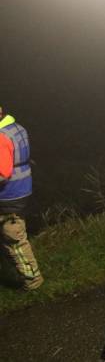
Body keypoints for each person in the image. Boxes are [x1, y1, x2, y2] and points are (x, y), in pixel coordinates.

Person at [0, 106, 43, 291]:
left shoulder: (1, 137)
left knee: (14, 239)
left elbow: (2, 173)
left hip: (9, 196)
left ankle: (32, 281)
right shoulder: (16, 127)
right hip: (22, 189)